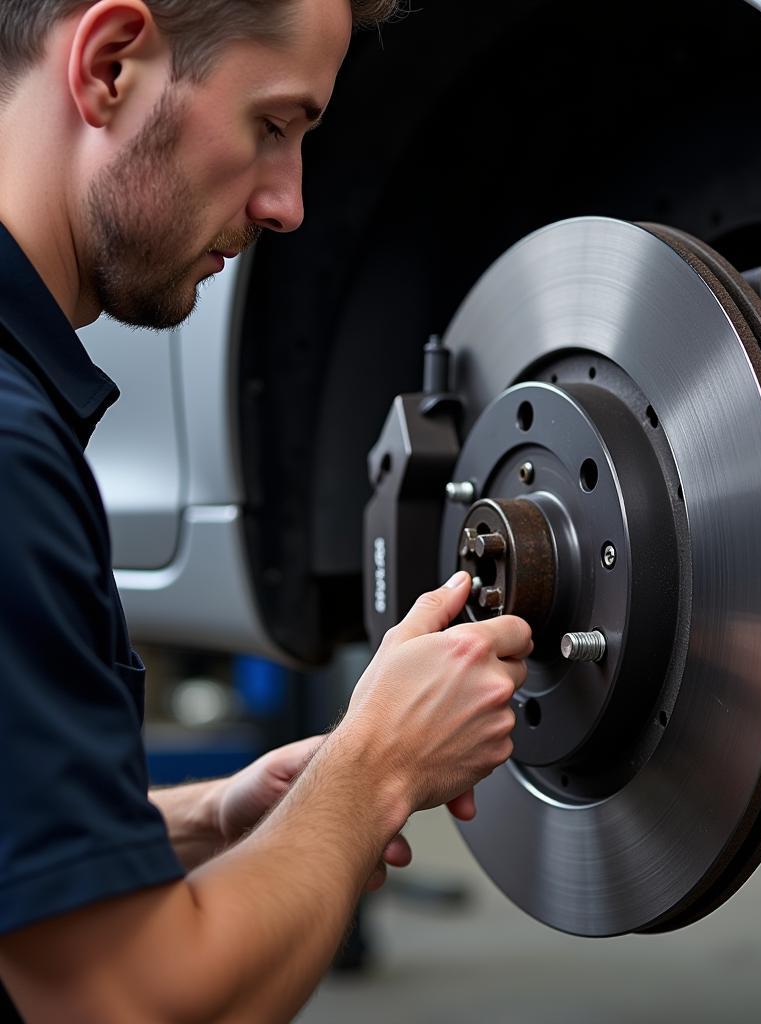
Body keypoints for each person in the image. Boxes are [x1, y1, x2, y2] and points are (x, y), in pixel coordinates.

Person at [0, 0, 533, 1020]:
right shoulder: (11, 458)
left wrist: (212, 815)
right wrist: (375, 769)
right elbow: (126, 1002)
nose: (287, 203)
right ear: (111, 66)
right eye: (272, 126)